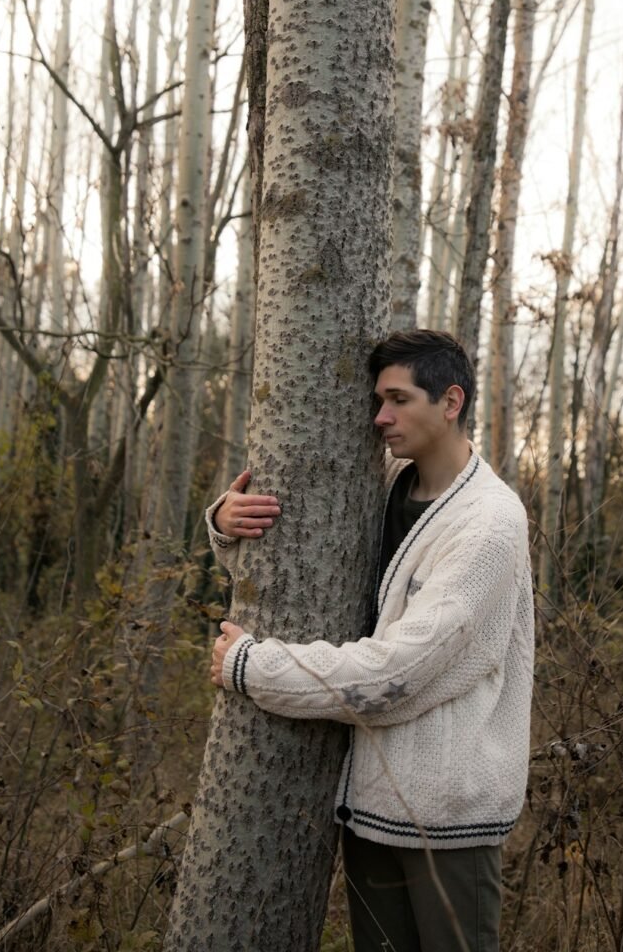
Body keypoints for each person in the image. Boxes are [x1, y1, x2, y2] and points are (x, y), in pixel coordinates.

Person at [206, 330, 534, 952]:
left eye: (398, 399)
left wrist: (256, 667)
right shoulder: (380, 485)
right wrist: (227, 521)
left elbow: (399, 671)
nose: (380, 416)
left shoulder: (490, 522)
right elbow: (306, 583)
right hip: (369, 808)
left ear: (451, 401)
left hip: (448, 823)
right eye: (378, 400)